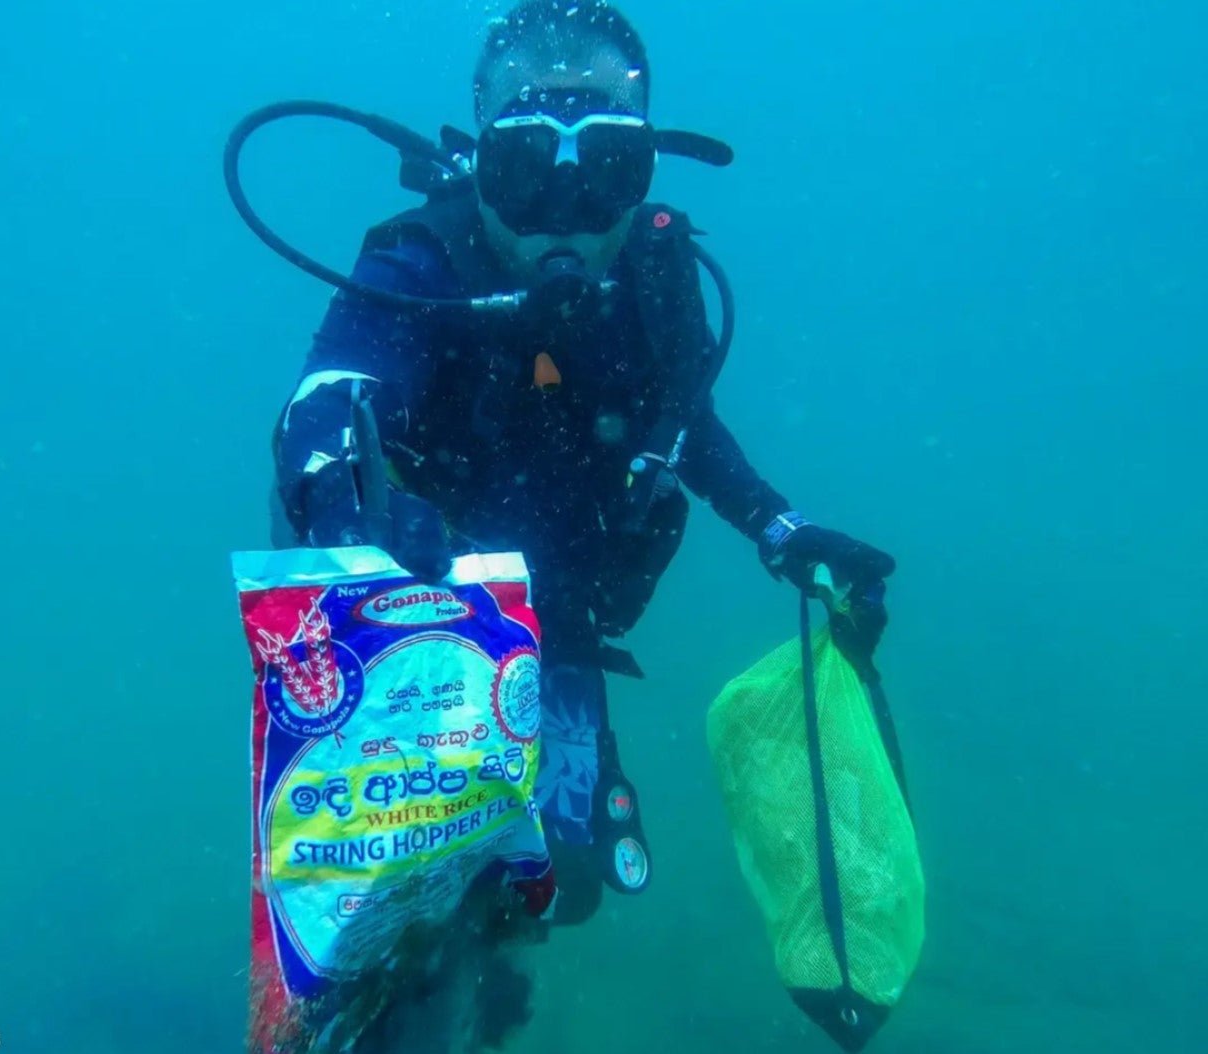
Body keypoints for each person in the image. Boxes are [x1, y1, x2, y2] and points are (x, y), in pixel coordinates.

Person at [270, 0, 895, 928]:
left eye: (606, 169)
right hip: (408, 582)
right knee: (412, 867)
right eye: (526, 170)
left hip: (560, 594)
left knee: (562, 889)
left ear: (642, 172)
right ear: (481, 160)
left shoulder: (656, 266)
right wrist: (341, 501)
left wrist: (782, 529)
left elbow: (685, 417)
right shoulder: (422, 258)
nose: (564, 213)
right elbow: (333, 390)